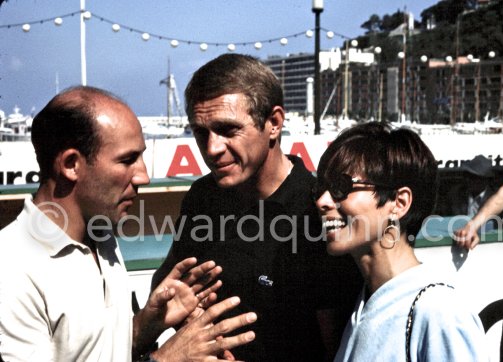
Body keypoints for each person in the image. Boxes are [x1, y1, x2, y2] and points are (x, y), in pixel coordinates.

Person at [0, 86, 256, 361]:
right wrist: (164, 359)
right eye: (127, 160)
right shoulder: (11, 270)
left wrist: (145, 326)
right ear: (71, 164)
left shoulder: (101, 237)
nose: (143, 176)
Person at [151, 53, 361, 361]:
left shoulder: (319, 211)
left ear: (274, 123)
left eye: (227, 130)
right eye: (200, 132)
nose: (212, 149)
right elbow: (168, 285)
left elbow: (338, 350)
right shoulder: (202, 197)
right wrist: (194, 326)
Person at [314, 122, 488, 361]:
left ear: (399, 203)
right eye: (320, 188)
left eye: (341, 186)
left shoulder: (439, 311)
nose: (322, 201)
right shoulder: (365, 301)